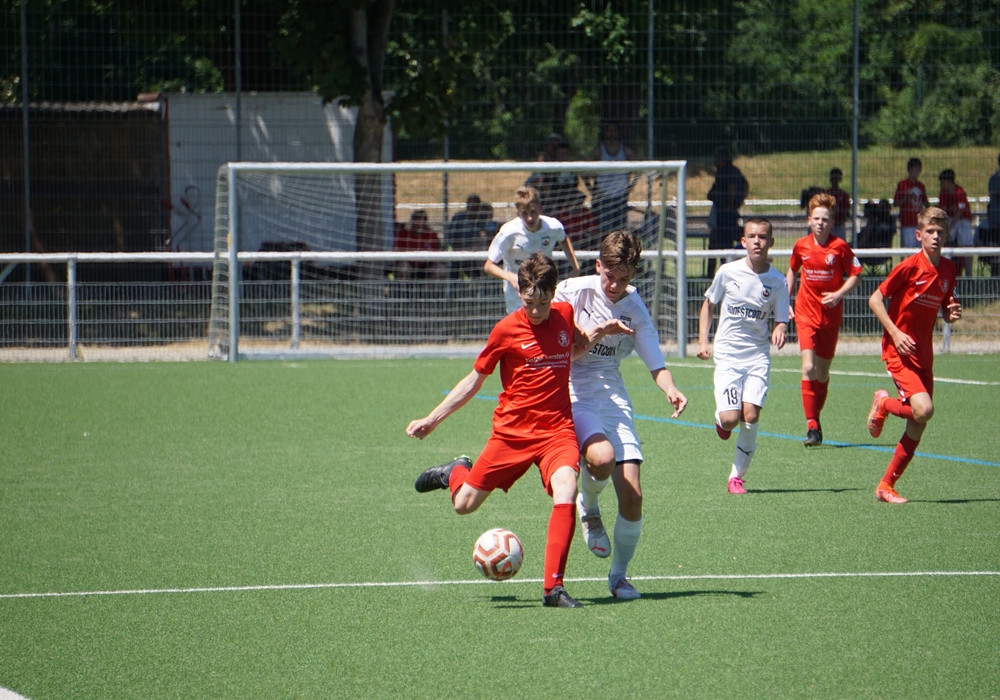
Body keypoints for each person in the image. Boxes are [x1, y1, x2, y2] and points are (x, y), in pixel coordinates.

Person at [407, 253, 631, 608]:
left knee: (566, 488)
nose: (537, 310)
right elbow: (473, 381)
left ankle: (553, 589)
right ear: (520, 293)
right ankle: (455, 472)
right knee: (463, 505)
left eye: (543, 302)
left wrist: (601, 330)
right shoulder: (505, 330)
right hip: (512, 434)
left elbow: (573, 348)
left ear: (553, 294)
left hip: (557, 430)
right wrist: (432, 419)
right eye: (529, 302)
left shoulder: (564, 313)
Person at [553, 230, 688, 600]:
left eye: (623, 278)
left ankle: (618, 577)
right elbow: (564, 353)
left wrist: (670, 388)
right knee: (601, 459)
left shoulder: (635, 309)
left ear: (633, 275)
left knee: (633, 495)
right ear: (598, 265)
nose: (614, 285)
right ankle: (589, 505)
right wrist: (599, 331)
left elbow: (655, 363)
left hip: (612, 394)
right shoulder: (571, 293)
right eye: (609, 275)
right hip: (574, 389)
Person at [866, 207, 962, 504]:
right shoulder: (909, 266)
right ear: (919, 235)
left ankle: (886, 486)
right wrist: (895, 333)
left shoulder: (948, 269)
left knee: (919, 421)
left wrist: (951, 313)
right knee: (924, 409)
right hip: (899, 351)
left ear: (946, 235)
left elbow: (945, 307)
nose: (935, 236)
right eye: (930, 232)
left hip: (924, 354)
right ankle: (883, 404)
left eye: (940, 232)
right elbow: (875, 299)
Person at [697, 218, 789, 494]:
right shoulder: (728, 272)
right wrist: (702, 340)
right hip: (728, 355)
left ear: (771, 242)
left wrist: (780, 329)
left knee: (750, 415)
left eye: (763, 236)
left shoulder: (778, 281)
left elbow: (782, 319)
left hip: (757, 357)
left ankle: (736, 477)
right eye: (752, 236)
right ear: (743, 241)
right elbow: (709, 304)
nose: (757, 241)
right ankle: (721, 420)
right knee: (729, 419)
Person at [785, 193, 863, 447]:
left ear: (832, 222)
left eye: (825, 219)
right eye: (816, 218)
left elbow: (856, 274)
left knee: (822, 372)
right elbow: (792, 270)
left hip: (830, 317)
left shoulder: (840, 247)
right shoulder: (801, 246)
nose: (820, 223)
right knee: (808, 367)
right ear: (809, 220)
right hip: (805, 314)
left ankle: (815, 419)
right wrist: (786, 301)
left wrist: (839, 294)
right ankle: (811, 425)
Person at [484, 186, 580, 313]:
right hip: (517, 297)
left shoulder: (553, 227)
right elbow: (488, 266)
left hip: (544, 290)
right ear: (518, 213)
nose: (529, 218)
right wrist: (510, 277)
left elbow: (563, 238)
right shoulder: (508, 233)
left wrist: (575, 267)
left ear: (540, 209)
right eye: (524, 213)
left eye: (533, 212)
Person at [705, 146, 749, 278]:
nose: (715, 161)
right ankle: (719, 273)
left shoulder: (726, 173)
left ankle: (717, 274)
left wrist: (730, 204)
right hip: (725, 215)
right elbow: (745, 185)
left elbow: (731, 188)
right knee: (721, 245)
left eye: (717, 158)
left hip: (724, 217)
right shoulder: (732, 172)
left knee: (720, 246)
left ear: (723, 159)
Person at [586, 122, 636, 235]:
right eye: (609, 131)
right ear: (605, 133)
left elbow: (639, 168)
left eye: (614, 131)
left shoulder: (625, 151)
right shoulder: (599, 151)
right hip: (603, 196)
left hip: (621, 196)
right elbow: (584, 170)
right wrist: (591, 189)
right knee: (604, 231)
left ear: (618, 132)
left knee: (620, 232)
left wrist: (631, 186)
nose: (611, 134)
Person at [937, 169, 974, 277]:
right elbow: (942, 210)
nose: (941, 185)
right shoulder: (943, 193)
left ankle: (968, 275)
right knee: (944, 240)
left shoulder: (959, 192)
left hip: (962, 220)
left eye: (942, 182)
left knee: (965, 245)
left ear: (948, 182)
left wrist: (949, 229)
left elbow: (959, 213)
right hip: (950, 219)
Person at [393, 210, 446, 280]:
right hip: (409, 265)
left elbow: (436, 256)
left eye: (420, 220)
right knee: (403, 268)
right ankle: (405, 287)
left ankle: (430, 287)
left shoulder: (431, 235)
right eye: (416, 220)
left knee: (440, 270)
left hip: (426, 266)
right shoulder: (403, 235)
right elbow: (398, 253)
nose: (418, 223)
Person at [892, 157, 928, 248]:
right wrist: (907, 198)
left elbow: (925, 202)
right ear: (909, 170)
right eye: (914, 170)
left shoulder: (921, 186)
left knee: (920, 249)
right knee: (909, 249)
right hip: (907, 223)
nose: (916, 173)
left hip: (919, 223)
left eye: (918, 170)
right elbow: (895, 203)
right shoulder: (902, 185)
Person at [825, 167, 852, 239]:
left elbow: (846, 212)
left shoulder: (844, 195)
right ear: (830, 179)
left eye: (837, 178)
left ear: (840, 179)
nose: (835, 180)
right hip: (828, 225)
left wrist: (840, 221)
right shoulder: (826, 194)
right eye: (833, 178)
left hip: (840, 226)